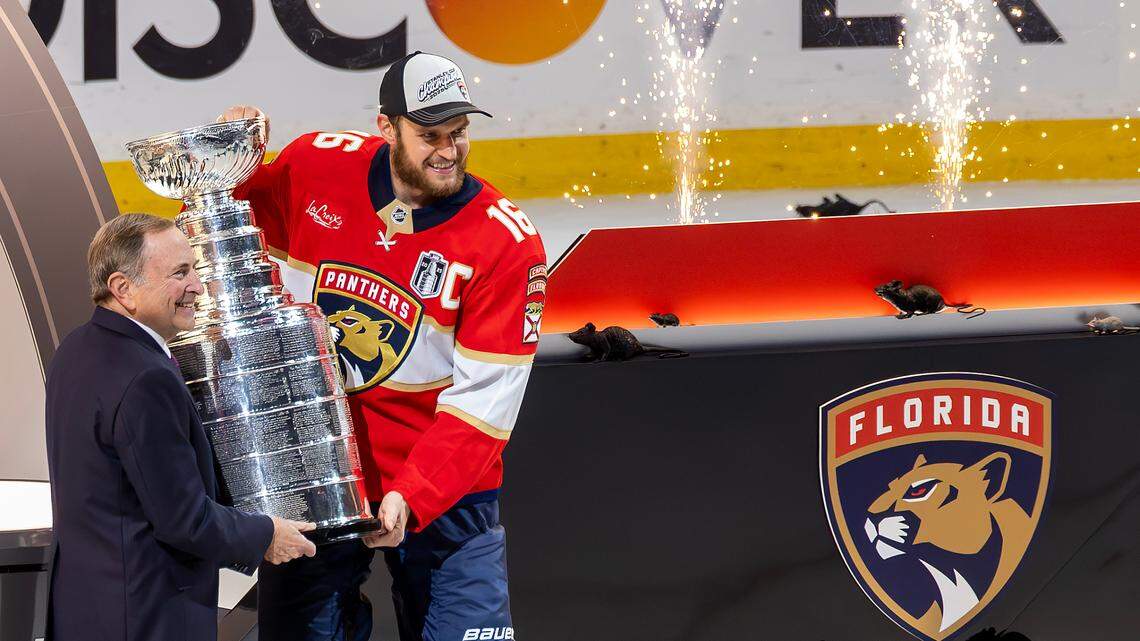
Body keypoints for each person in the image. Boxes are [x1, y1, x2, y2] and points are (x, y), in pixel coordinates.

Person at [221, 50, 547, 640]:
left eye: (459, 132)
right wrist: (229, 159)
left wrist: (412, 495)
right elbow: (229, 213)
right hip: (318, 477)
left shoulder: (506, 245)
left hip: (445, 493)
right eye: (429, 135)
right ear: (385, 127)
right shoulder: (315, 167)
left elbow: (483, 409)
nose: (448, 151)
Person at [44, 213, 318, 641]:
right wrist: (266, 533)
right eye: (180, 273)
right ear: (123, 289)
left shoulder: (76, 349)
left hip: (86, 609)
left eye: (194, 268)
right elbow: (183, 519)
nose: (197, 285)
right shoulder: (143, 376)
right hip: (146, 616)